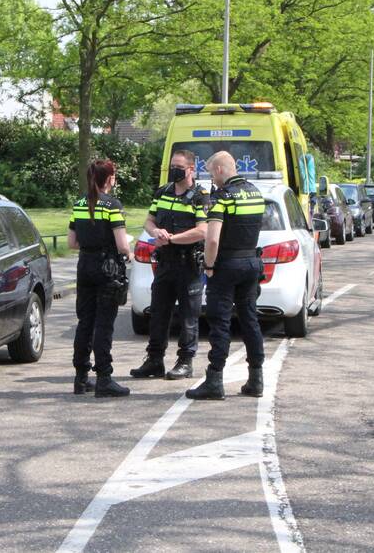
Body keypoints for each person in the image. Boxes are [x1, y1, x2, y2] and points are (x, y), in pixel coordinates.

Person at [187, 151, 266, 401]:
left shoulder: (222, 198)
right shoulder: (255, 193)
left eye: (211, 173)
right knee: (250, 319)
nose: (212, 178)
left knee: (220, 323)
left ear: (220, 170)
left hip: (227, 264)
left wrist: (209, 265)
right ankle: (256, 379)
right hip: (252, 262)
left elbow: (212, 238)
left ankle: (214, 381)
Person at [129, 150, 208, 381]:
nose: (174, 170)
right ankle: (154, 360)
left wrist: (172, 238)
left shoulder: (200, 196)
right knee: (158, 314)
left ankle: (185, 362)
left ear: (191, 169)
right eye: (172, 165)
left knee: (188, 316)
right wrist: (155, 232)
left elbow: (203, 231)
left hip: (188, 264)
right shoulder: (163, 192)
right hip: (164, 263)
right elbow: (149, 220)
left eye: (179, 167)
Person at [67, 159, 133, 398]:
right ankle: (104, 377)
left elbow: (71, 243)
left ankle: (81, 377)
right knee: (104, 324)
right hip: (107, 268)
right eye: (113, 176)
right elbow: (122, 245)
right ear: (108, 179)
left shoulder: (79, 204)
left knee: (85, 322)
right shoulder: (112, 205)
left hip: (84, 266)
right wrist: (130, 253)